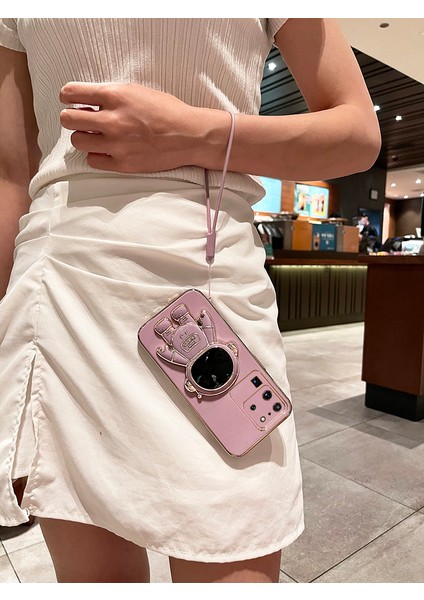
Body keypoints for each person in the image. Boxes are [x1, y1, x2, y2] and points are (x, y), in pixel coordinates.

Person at [0, 18, 381, 583]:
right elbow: (11, 174)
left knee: (237, 536)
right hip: (62, 289)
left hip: (210, 280)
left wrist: (195, 134)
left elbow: (357, 134)